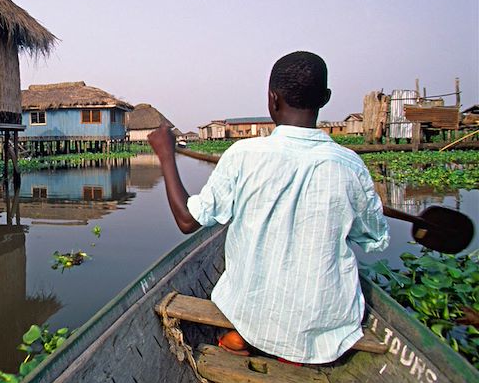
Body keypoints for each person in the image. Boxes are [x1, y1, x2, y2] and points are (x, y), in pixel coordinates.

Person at [147, 51, 389, 364]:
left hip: (251, 314)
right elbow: (374, 239)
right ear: (325, 99)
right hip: (329, 326)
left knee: (246, 298)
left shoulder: (244, 155)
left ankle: (248, 335)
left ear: (272, 100)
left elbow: (186, 220)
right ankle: (279, 344)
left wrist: (167, 155)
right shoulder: (350, 166)